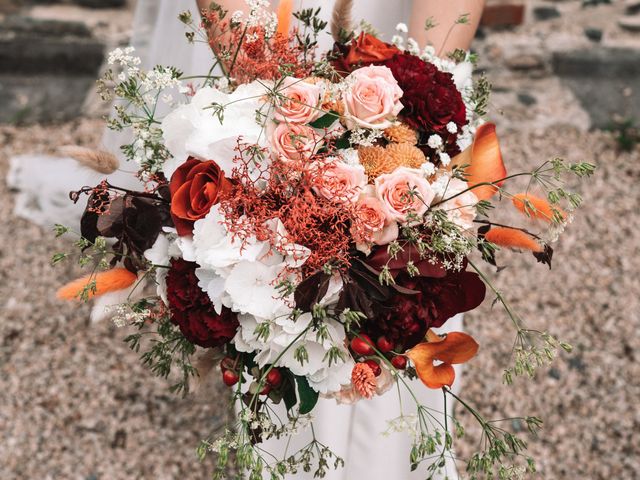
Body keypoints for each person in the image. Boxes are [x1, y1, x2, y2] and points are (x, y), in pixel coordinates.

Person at [9, 1, 484, 478]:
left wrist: (426, 93)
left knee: (413, 270)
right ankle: (294, 451)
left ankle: (401, 454)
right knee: (275, 285)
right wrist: (265, 99)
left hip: (407, 48)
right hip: (275, 43)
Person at [199, 1, 485, 479]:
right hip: (275, 52)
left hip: (413, 56)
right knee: (278, 312)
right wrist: (262, 94)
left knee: (407, 309)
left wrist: (419, 107)